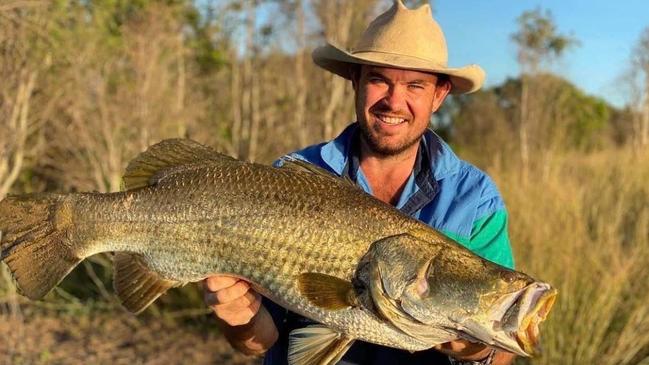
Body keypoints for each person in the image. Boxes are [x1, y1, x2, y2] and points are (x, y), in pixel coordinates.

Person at [203, 1, 516, 364]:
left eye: (415, 85)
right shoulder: (292, 177)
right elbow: (258, 342)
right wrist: (238, 318)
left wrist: (475, 350)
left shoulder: (475, 199)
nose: (394, 101)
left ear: (439, 95)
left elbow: (501, 349)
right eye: (379, 79)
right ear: (356, 81)